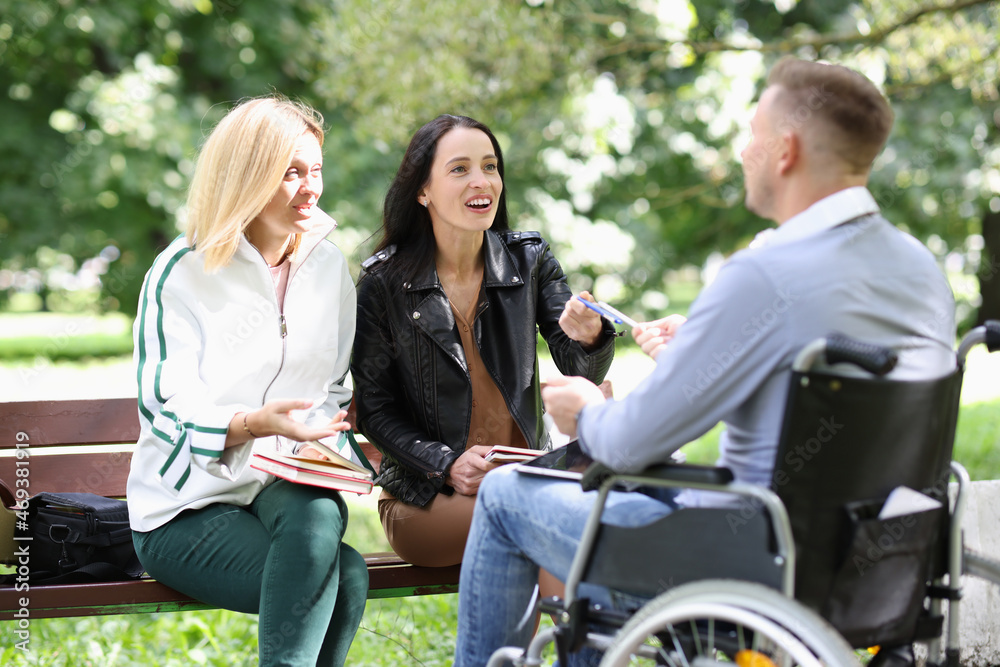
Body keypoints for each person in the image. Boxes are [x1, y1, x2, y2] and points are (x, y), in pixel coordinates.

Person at [453, 57, 957, 666]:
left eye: (752, 135)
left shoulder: (765, 273)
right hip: (876, 561)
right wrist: (706, 348)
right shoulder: (920, 269)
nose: (744, 153)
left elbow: (631, 444)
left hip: (745, 559)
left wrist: (586, 410)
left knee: (507, 492)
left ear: (787, 150)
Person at [127, 96, 368, 667]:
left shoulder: (329, 266)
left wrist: (326, 442)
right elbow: (164, 406)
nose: (311, 187)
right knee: (347, 576)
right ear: (246, 176)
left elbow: (334, 385)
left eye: (315, 170)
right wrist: (250, 425)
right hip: (185, 506)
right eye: (290, 172)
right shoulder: (181, 270)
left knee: (320, 517)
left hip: (284, 487)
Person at [350, 114, 617, 569]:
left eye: (490, 166)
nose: (482, 181)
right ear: (422, 190)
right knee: (542, 518)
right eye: (460, 169)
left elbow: (580, 371)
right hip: (429, 497)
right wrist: (446, 463)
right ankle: (582, 643)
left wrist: (590, 337)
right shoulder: (383, 284)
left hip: (527, 477)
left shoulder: (528, 261)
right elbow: (375, 410)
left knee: (556, 514)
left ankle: (548, 643)